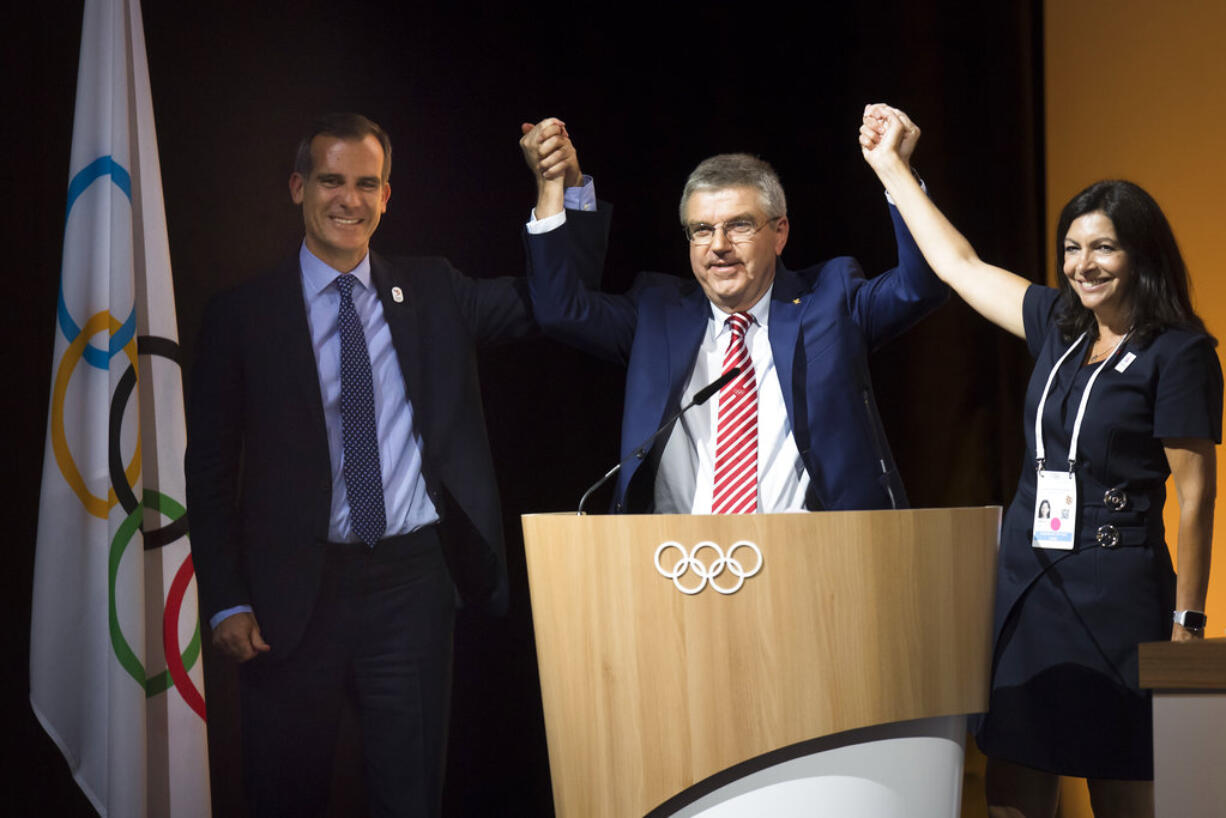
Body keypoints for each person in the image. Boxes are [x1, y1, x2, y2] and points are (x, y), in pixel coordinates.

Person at [184, 112, 604, 817]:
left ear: (387, 197)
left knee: (409, 798)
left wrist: (564, 189)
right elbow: (211, 470)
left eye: (366, 184)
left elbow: (555, 305)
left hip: (411, 588)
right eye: (332, 181)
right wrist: (225, 595)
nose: (349, 199)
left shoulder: (435, 290)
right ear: (297, 187)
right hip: (290, 596)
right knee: (283, 796)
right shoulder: (241, 315)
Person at [859, 103, 1221, 817]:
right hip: (1029, 584)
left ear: (1140, 255)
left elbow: (1197, 496)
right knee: (1013, 788)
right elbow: (959, 266)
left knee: (1133, 788)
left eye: (1103, 248)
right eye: (1072, 249)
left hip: (1124, 595)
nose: (1082, 265)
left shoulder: (1181, 353)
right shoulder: (1059, 325)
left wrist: (1191, 627)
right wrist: (893, 169)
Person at [518, 122, 947, 515]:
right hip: (677, 564)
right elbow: (561, 310)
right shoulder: (657, 313)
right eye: (701, 230)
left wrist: (894, 171)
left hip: (815, 563)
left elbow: (924, 283)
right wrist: (555, 187)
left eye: (739, 225)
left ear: (779, 234)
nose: (718, 245)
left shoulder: (831, 301)